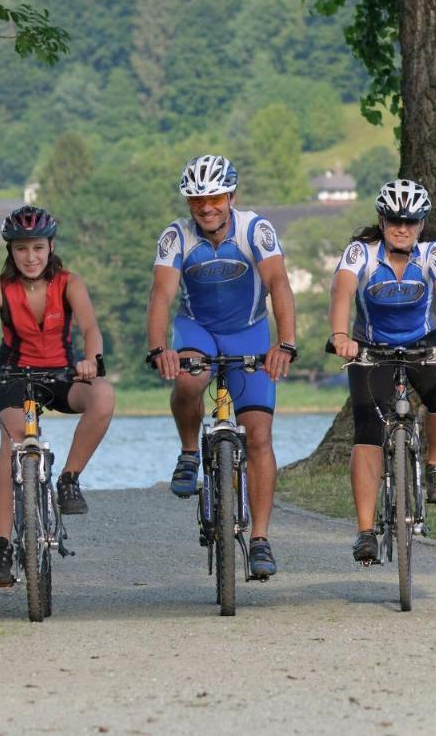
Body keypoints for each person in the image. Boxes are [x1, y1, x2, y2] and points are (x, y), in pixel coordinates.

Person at [145, 154, 296, 580]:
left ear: (230, 195)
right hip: (198, 330)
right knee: (192, 377)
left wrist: (284, 343)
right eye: (197, 200)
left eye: (214, 197)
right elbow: (161, 294)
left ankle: (261, 539)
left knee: (260, 436)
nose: (206, 207)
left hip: (247, 332)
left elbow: (278, 284)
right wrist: (160, 348)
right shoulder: (176, 236)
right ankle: (190, 452)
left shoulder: (255, 229)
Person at [0, 205, 115, 587]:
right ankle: (1, 547)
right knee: (12, 441)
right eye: (22, 249)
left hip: (60, 374)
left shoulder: (69, 283)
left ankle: (69, 479)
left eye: (38, 248)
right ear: (10, 251)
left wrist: (92, 359)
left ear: (51, 246)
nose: (31, 257)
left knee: (104, 397)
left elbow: (91, 326)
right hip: (12, 375)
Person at [328, 178, 436, 563]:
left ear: (422, 224)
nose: (402, 228)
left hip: (423, 340)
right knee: (369, 432)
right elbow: (341, 291)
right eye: (394, 221)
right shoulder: (362, 252)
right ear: (382, 220)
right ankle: (364, 531)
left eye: (410, 221)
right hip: (371, 347)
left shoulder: (432, 252)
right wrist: (341, 336)